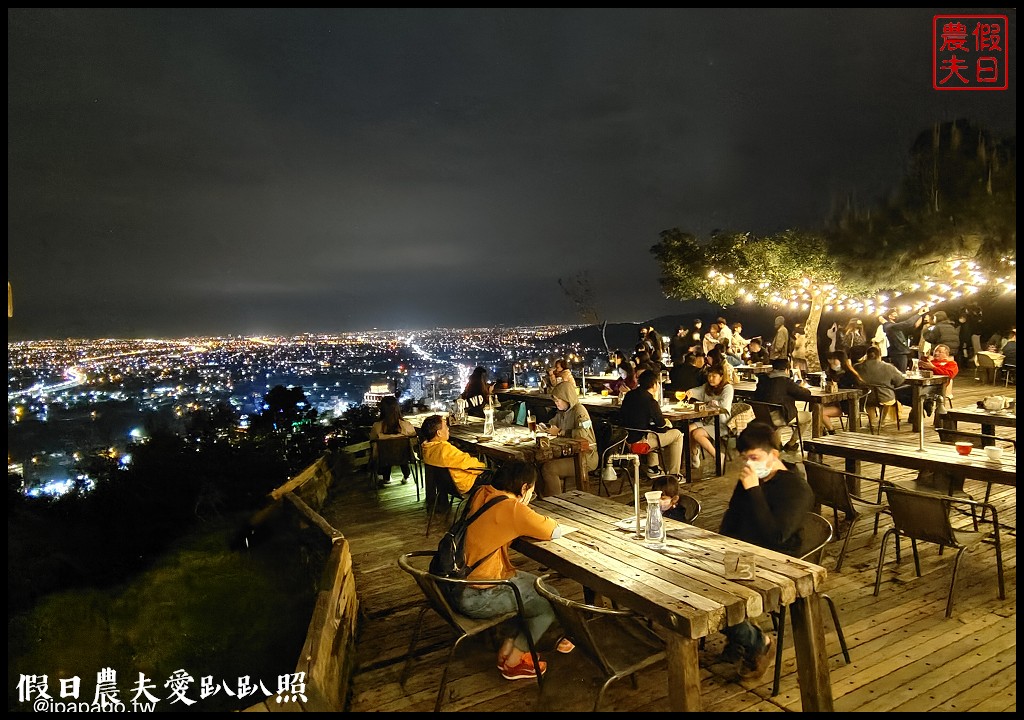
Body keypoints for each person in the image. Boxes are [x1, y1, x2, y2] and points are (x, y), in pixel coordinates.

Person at [453, 460, 575, 681]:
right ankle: (514, 659)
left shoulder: (484, 493)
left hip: (459, 582)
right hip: (478, 593)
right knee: (547, 605)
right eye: (532, 491)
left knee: (546, 590)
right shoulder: (511, 508)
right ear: (524, 489)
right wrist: (526, 511)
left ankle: (513, 644)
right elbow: (553, 530)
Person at [717, 422, 814, 680]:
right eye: (745, 459)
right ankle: (741, 635)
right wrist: (718, 546)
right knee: (692, 582)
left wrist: (754, 490)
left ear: (774, 454)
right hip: (742, 554)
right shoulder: (752, 478)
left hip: (777, 562)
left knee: (714, 597)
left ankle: (758, 642)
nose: (749, 464)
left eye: (754, 458)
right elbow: (733, 515)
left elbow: (776, 536)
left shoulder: (796, 488)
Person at [618, 369, 685, 477]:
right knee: (677, 434)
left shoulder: (630, 395)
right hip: (638, 444)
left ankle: (653, 468)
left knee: (650, 432)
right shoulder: (650, 401)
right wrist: (666, 424)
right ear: (654, 385)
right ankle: (674, 474)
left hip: (624, 439)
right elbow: (662, 427)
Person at [538, 380, 598, 497]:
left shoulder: (580, 411)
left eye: (558, 400)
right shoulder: (562, 412)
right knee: (539, 463)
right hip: (570, 454)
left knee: (549, 468)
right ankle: (545, 498)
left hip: (586, 456)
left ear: (567, 397)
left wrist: (561, 432)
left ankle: (556, 502)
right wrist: (544, 427)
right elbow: (552, 424)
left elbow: (584, 433)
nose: (556, 403)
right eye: (555, 401)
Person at [419, 414, 488, 496]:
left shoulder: (427, 449)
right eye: (445, 426)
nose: (448, 429)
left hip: (447, 486)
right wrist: (484, 467)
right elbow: (467, 463)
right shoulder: (444, 449)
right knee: (498, 475)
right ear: (439, 433)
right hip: (466, 484)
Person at [752, 357, 813, 450]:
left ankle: (778, 445)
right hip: (779, 417)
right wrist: (801, 387)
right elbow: (805, 394)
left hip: (761, 416)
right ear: (787, 370)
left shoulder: (763, 380)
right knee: (808, 417)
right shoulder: (786, 381)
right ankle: (791, 443)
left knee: (776, 415)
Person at [683, 363, 733, 470]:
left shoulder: (727, 388)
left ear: (721, 377)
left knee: (697, 434)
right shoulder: (707, 387)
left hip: (721, 423)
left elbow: (724, 405)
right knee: (688, 429)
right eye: (709, 376)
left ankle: (718, 456)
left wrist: (712, 403)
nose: (711, 379)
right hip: (707, 420)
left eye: (714, 376)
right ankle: (695, 454)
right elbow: (698, 391)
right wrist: (690, 392)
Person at [897, 343, 959, 425]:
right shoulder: (929, 362)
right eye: (935, 351)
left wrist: (933, 368)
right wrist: (918, 366)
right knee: (897, 392)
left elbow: (949, 374)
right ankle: (924, 404)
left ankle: (921, 410)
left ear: (946, 354)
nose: (936, 353)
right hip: (919, 384)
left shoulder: (951, 364)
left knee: (917, 394)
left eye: (940, 352)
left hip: (937, 387)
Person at [368, 395, 417, 486]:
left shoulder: (377, 426)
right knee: (403, 449)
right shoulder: (406, 425)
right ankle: (406, 475)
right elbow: (414, 441)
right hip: (404, 457)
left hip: (384, 459)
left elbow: (372, 441)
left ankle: (386, 478)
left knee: (385, 451)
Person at [855, 345, 905, 428]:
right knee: (888, 398)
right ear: (879, 355)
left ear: (866, 355)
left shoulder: (857, 367)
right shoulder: (888, 367)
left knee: (870, 403)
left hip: (864, 397)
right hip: (885, 397)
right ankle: (882, 420)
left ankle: (872, 421)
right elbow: (900, 380)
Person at [819, 350, 865, 434]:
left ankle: (831, 431)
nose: (831, 362)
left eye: (834, 359)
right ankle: (824, 430)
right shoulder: (832, 373)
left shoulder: (850, 375)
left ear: (841, 360)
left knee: (820, 412)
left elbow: (857, 391)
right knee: (817, 409)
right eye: (831, 359)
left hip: (847, 406)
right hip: (835, 403)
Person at [879, 307, 927, 372]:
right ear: (890, 316)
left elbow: (912, 325)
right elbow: (908, 323)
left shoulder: (894, 327)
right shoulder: (890, 326)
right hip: (899, 354)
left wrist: (920, 316)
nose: (897, 314)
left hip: (900, 353)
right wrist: (919, 313)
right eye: (894, 313)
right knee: (901, 374)